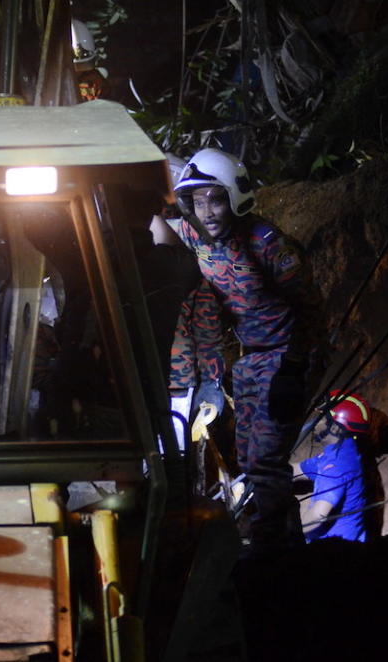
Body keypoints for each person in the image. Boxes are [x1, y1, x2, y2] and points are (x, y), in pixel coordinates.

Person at [153, 147, 325, 554]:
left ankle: (272, 557)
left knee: (265, 462)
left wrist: (295, 365)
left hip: (286, 354)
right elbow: (153, 228)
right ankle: (285, 547)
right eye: (198, 200)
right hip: (249, 358)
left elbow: (310, 308)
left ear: (234, 195)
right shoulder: (194, 234)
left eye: (216, 198)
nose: (208, 210)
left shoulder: (268, 244)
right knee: (249, 461)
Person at [292, 391, 371, 543]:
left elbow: (317, 516)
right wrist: (266, 469)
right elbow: (297, 470)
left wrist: (285, 531)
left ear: (335, 428)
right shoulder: (341, 452)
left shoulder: (337, 465)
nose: (316, 422)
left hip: (334, 554)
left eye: (322, 417)